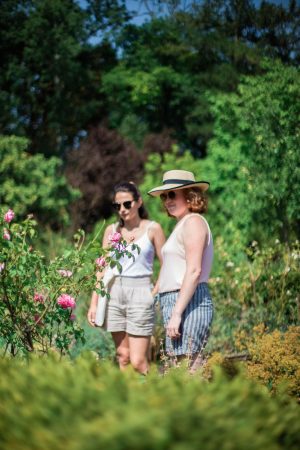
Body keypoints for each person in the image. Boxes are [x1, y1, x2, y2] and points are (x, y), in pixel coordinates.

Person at [87, 182, 165, 375]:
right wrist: (94, 302)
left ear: (139, 202)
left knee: (138, 361)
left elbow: (167, 264)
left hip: (141, 292)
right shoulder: (111, 231)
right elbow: (101, 267)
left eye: (127, 204)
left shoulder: (153, 229)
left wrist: (153, 294)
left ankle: (159, 398)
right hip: (115, 293)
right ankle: (128, 402)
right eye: (117, 206)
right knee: (123, 356)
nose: (122, 210)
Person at [148, 170, 213, 372]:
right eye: (165, 196)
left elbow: (194, 270)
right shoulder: (182, 224)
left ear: (190, 195)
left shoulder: (193, 222)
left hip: (189, 303)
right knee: (178, 370)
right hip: (178, 302)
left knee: (189, 370)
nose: (167, 200)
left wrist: (177, 312)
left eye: (172, 194)